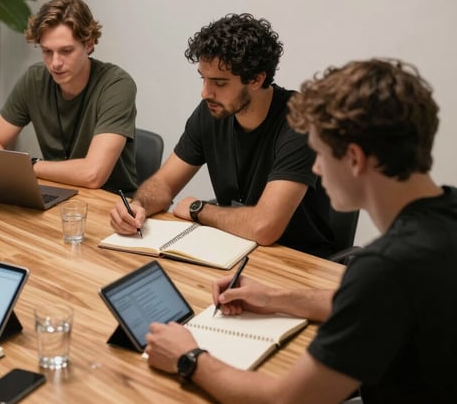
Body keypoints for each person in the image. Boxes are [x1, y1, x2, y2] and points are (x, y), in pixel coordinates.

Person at [144, 59, 457, 403]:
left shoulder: (388, 268)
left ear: (354, 159)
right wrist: (276, 298)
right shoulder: (444, 217)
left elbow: (286, 399)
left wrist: (189, 358)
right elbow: (373, 303)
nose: (317, 169)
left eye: (319, 154)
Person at [109, 13, 337, 257]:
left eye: (219, 83)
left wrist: (199, 209)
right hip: (235, 248)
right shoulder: (213, 112)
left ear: (256, 79)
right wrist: (137, 206)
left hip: (298, 261)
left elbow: (264, 227)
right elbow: (164, 184)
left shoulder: (299, 121)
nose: (205, 93)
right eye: (203, 79)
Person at [0, 0, 138, 194]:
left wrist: (29, 166)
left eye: (66, 51)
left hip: (111, 205)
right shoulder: (34, 79)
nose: (55, 63)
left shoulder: (116, 85)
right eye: (46, 51)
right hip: (57, 195)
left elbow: (93, 174)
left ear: (88, 44)